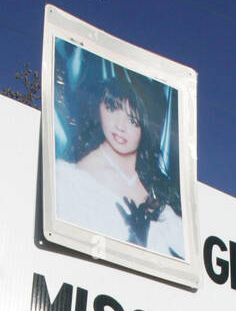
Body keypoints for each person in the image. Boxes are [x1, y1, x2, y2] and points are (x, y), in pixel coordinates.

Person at [55, 78, 185, 258]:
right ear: (99, 106)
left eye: (133, 120)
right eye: (112, 109)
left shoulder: (158, 186)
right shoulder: (71, 178)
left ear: (146, 126)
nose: (120, 126)